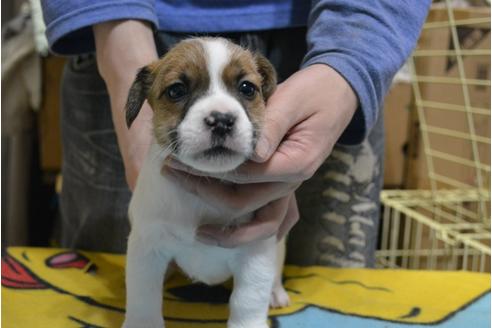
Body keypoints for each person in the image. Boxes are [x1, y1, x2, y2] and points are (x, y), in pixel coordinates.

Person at [41, 1, 431, 267]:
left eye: (247, 90)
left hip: (323, 46)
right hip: (128, 30)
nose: (220, 115)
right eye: (178, 92)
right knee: (121, 271)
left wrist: (351, 60)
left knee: (320, 292)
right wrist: (118, 38)